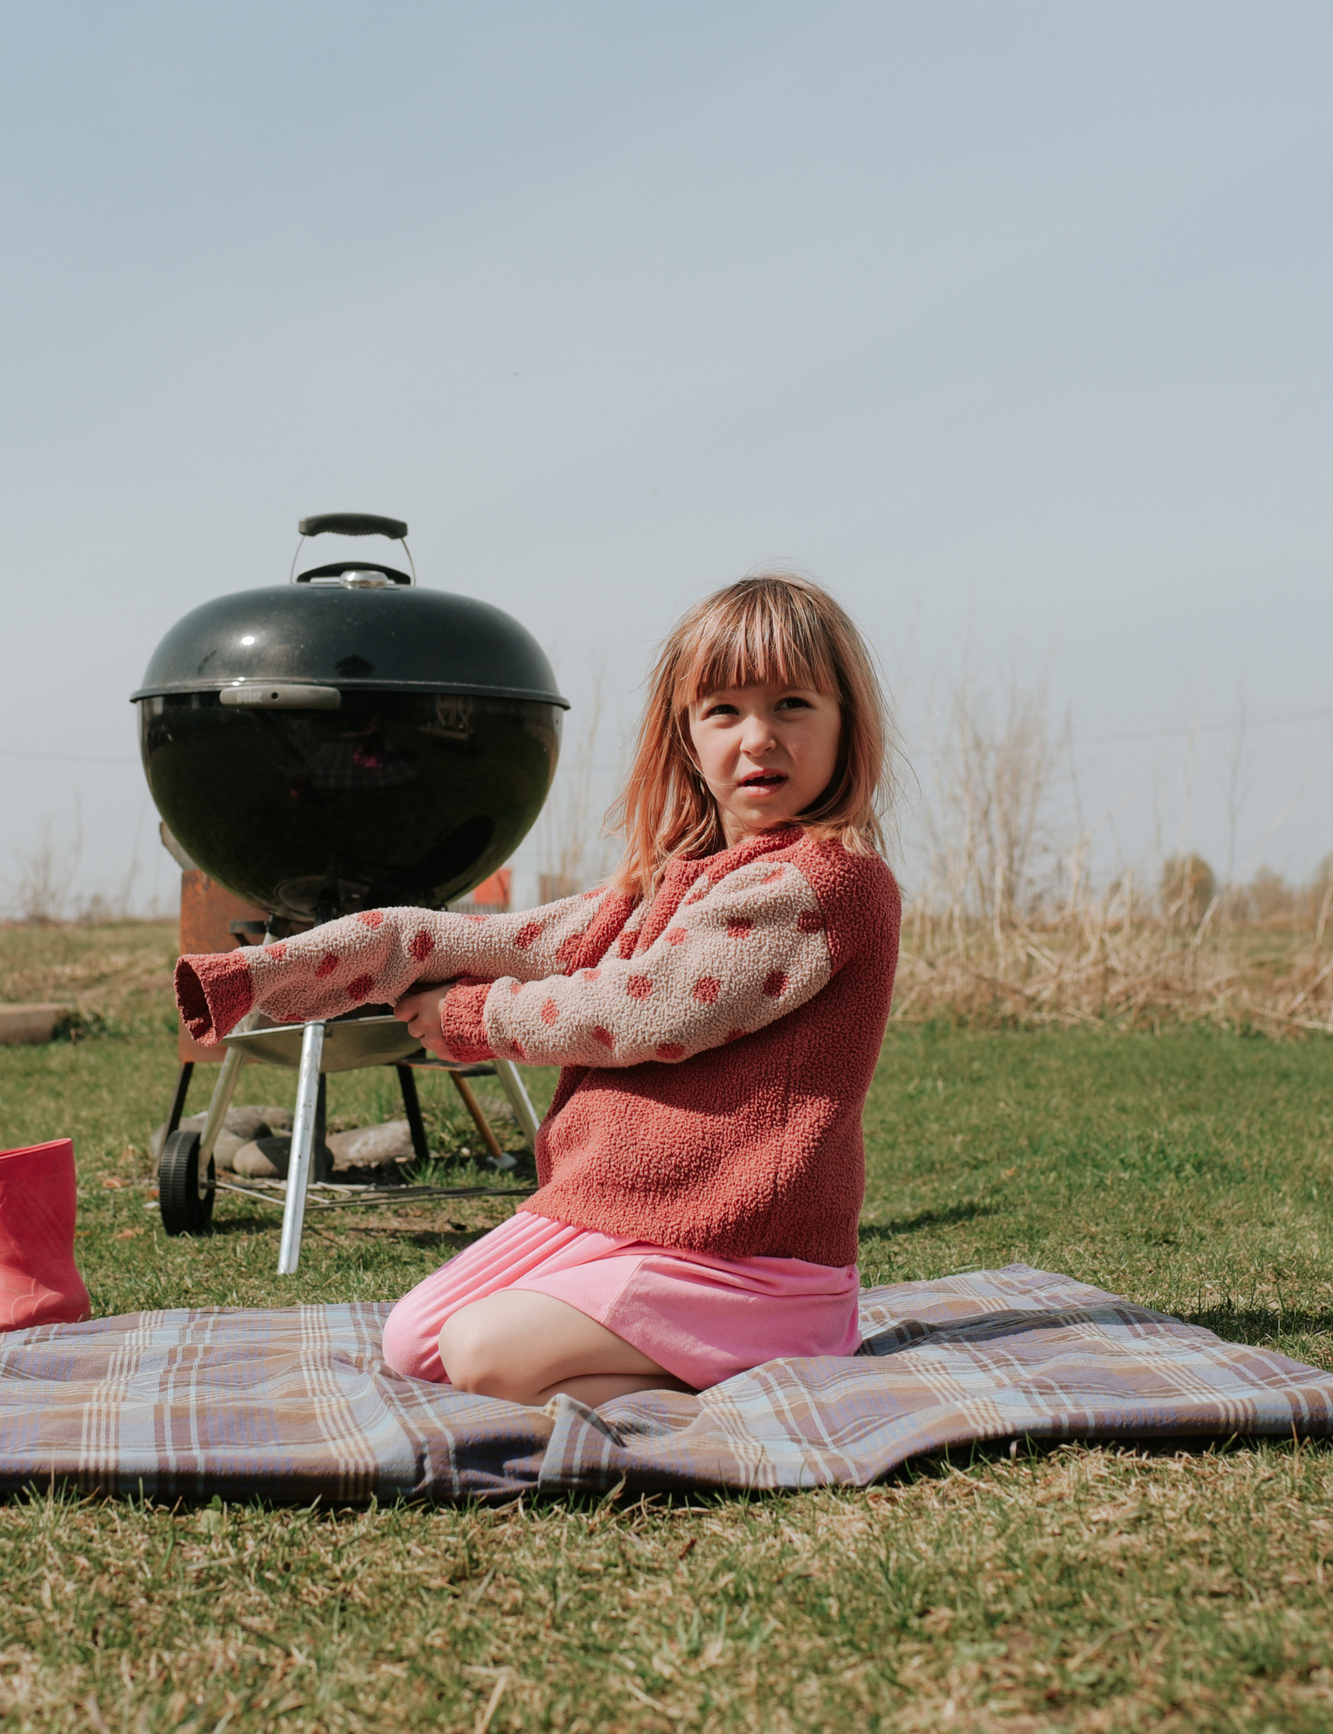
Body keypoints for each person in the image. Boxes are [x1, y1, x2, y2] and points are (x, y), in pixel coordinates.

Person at [173, 575, 897, 1407]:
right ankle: (649, 1342)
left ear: (847, 723)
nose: (759, 737)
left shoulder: (826, 883)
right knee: (414, 1343)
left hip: (741, 1250)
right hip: (624, 1211)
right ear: (687, 738)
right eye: (725, 710)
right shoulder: (671, 883)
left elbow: (639, 1011)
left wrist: (472, 1016)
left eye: (794, 704)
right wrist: (269, 976)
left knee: (483, 1355)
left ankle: (781, 1342)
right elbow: (497, 939)